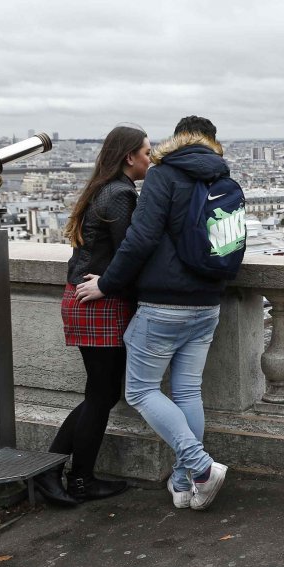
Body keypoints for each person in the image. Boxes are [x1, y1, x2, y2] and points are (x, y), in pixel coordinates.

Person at [74, 116, 230, 511]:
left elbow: (139, 239)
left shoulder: (163, 175)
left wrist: (106, 284)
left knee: (140, 390)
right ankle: (182, 483)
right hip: (208, 301)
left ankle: (199, 467)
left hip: (164, 302)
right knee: (187, 391)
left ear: (177, 140)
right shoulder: (223, 178)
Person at [33, 124, 150, 506]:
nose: (151, 158)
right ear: (129, 156)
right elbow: (129, 254)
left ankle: (56, 471)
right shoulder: (121, 194)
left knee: (99, 394)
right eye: (147, 152)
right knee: (101, 395)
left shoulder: (103, 188)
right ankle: (75, 477)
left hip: (85, 299)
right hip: (100, 302)